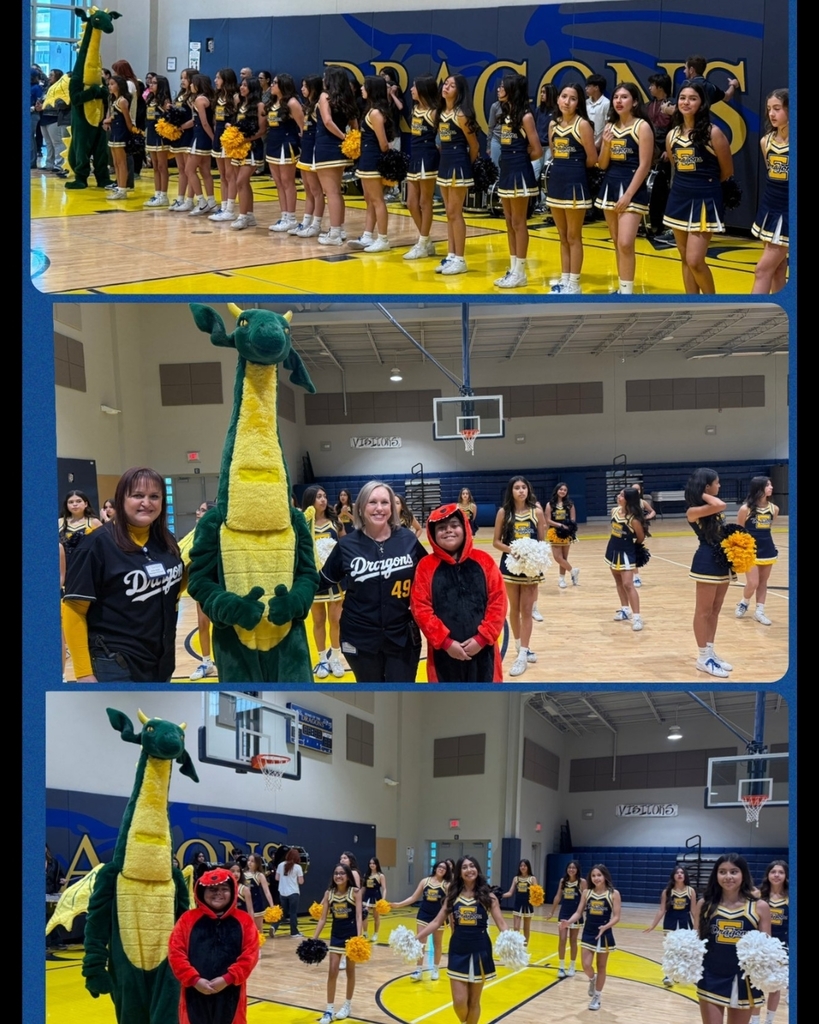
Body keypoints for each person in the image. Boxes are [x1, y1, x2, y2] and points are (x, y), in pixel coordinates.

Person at [62, 467, 184, 682]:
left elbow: (173, 584)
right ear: (121, 499)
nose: (146, 502)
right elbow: (74, 609)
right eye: (137, 495)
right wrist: (84, 674)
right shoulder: (96, 544)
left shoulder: (166, 540)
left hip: (162, 659)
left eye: (154, 496)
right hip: (116, 662)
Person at [320, 481, 426, 682]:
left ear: (392, 507)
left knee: (401, 690)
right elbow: (322, 581)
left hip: (402, 636)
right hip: (359, 637)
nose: (379, 508)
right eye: (372, 502)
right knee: (370, 690)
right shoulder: (347, 545)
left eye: (385, 502)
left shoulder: (408, 539)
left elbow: (431, 576)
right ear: (360, 507)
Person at [411, 504, 507, 682]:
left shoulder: (484, 561)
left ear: (465, 528)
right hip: (443, 653)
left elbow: (498, 602)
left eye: (454, 525)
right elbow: (421, 608)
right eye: (441, 528)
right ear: (432, 534)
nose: (448, 530)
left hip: (484, 651)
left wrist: (482, 638)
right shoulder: (425, 566)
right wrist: (446, 642)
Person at [417, 857, 509, 1024]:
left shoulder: (489, 897)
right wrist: (416, 938)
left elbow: (501, 923)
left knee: (474, 1001)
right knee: (459, 1002)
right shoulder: (452, 897)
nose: (469, 870)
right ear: (459, 872)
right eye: (464, 867)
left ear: (477, 869)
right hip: (458, 949)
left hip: (480, 948)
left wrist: (512, 941)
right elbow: (437, 922)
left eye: (472, 866)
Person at [663, 82, 734, 294]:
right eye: (682, 98)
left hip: (704, 199)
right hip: (679, 197)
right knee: (684, 258)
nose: (686, 102)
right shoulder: (672, 135)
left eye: (693, 98)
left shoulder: (714, 133)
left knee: (695, 260)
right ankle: (692, 302)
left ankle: (712, 303)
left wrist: (704, 184)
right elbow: (676, 166)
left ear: (702, 103)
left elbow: (727, 171)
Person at [168, 867, 259, 1024]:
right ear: (202, 891)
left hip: (231, 992)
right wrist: (194, 979)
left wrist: (228, 978)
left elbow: (250, 956)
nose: (218, 893)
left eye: (224, 889)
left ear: (233, 891)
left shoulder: (244, 921)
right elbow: (175, 952)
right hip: (194, 992)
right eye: (213, 889)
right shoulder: (187, 919)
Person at [697, 854, 770, 1024]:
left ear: (743, 874)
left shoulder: (759, 906)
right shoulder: (705, 904)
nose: (728, 876)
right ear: (716, 875)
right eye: (722, 872)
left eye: (734, 871)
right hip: (711, 975)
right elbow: (696, 942)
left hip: (743, 980)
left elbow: (767, 949)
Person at [595, 83, 654, 294]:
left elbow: (645, 165)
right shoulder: (610, 126)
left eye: (624, 97)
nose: (619, 101)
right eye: (616, 97)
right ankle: (622, 289)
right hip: (611, 185)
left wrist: (628, 195)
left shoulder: (642, 127)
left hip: (632, 188)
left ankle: (628, 294)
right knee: (617, 242)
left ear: (635, 102)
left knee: (626, 243)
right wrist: (606, 144)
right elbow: (602, 164)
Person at [546, 83, 597, 294]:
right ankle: (564, 278)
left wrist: (574, 167)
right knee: (562, 235)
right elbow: (553, 153)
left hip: (575, 183)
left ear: (578, 103)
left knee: (574, 235)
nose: (567, 102)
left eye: (573, 98)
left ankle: (574, 283)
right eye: (564, 96)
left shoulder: (583, 125)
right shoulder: (553, 125)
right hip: (556, 181)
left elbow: (592, 158)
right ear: (558, 99)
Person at [494, 73, 543, 289]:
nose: (499, 89)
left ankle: (521, 272)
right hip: (506, 171)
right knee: (508, 221)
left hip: (519, 173)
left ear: (513, 90)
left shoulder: (526, 117)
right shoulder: (506, 113)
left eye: (503, 87)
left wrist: (520, 160)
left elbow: (537, 150)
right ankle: (513, 268)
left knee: (518, 222)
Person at [493, 476, 546, 677]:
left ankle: (523, 654)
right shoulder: (503, 512)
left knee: (527, 610)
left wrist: (534, 555)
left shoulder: (537, 512)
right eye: (517, 488)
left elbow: (542, 542)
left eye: (524, 487)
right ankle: (518, 646)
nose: (521, 491)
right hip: (511, 565)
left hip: (531, 567)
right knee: (514, 609)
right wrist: (513, 550)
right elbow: (496, 542)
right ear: (511, 491)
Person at [686, 468, 734, 677]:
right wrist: (702, 494)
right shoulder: (693, 511)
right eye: (717, 483)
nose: (719, 486)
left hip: (722, 559)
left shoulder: (710, 506)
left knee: (715, 610)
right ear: (707, 487)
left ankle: (710, 651)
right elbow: (721, 505)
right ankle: (703, 657)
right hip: (706, 560)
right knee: (703, 611)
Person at [434, 75, 479, 276]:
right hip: (445, 164)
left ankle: (460, 259)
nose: (446, 87)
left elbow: (474, 146)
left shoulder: (461, 115)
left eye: (452, 86)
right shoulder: (441, 113)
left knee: (455, 212)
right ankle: (451, 255)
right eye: (446, 84)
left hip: (458, 165)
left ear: (459, 92)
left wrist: (465, 165)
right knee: (448, 212)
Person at [301, 485, 346, 679]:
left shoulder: (335, 522)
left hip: (335, 580)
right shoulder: (303, 523)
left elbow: (346, 546)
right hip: (314, 580)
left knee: (335, 620)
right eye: (318, 496)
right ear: (310, 500)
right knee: (318, 621)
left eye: (325, 496)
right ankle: (322, 659)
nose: (323, 500)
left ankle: (335, 658)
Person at [313, 67, 359, 247]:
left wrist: (344, 137)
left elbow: (327, 121)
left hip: (327, 148)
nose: (323, 79)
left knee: (331, 192)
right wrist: (350, 140)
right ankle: (339, 229)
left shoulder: (325, 96)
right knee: (336, 192)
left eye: (325, 76)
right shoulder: (347, 98)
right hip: (340, 151)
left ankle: (334, 234)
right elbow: (355, 125)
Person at [347, 76, 394, 252]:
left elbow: (383, 144)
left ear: (372, 89)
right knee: (369, 199)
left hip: (373, 161)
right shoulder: (371, 110)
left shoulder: (375, 114)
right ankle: (367, 235)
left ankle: (383, 239)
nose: (361, 89)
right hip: (366, 160)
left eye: (364, 86)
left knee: (377, 200)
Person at [566, 864, 621, 1012]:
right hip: (589, 932)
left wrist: (606, 926)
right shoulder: (586, 892)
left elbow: (616, 917)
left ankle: (597, 996)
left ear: (605, 876)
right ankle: (592, 979)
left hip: (604, 933)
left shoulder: (613, 893)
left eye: (599, 875)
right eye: (593, 875)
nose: (596, 878)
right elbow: (578, 912)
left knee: (601, 966)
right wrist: (568, 922)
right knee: (586, 965)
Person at [313, 864, 363, 1024]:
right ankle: (329, 1010)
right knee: (332, 971)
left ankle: (347, 1005)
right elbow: (323, 918)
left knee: (350, 971)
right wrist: (314, 938)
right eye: (336, 873)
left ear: (348, 876)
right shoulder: (329, 893)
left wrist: (358, 938)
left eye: (342, 873)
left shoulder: (355, 892)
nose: (338, 876)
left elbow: (359, 916)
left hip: (351, 936)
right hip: (336, 935)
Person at [751, 90, 789, 294]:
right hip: (770, 208)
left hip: (788, 211)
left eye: (777, 108)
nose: (771, 114)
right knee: (777, 269)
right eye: (769, 109)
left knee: (762, 270)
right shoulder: (766, 141)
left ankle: (752, 310)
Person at [390, 860, 451, 980]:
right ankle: (418, 970)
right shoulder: (424, 881)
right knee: (420, 943)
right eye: (440, 866)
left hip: (438, 917)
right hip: (424, 914)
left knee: (437, 943)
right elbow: (414, 897)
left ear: (446, 871)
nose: (441, 869)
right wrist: (398, 904)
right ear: (435, 868)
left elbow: (449, 904)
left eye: (444, 868)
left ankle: (435, 969)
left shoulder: (446, 885)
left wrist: (450, 919)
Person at [178, 500, 217, 680]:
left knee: (222, 625)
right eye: (198, 509)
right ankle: (206, 662)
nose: (197, 512)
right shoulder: (194, 533)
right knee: (203, 623)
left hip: (217, 583)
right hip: (200, 583)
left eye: (202, 510)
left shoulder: (217, 532)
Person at [403, 74, 441, 260]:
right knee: (411, 202)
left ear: (423, 90)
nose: (411, 90)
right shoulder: (415, 109)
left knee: (425, 202)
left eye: (414, 87)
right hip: (415, 156)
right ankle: (426, 242)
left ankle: (422, 242)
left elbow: (442, 139)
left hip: (428, 158)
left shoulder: (434, 113)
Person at [263, 73, 304, 233]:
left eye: (275, 83)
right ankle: (284, 216)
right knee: (278, 182)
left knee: (288, 182)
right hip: (273, 144)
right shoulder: (272, 102)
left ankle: (291, 218)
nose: (272, 85)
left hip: (286, 145)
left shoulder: (292, 103)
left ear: (283, 85)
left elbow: (302, 127)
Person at [735, 477, 779, 626]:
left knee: (763, 582)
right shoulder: (745, 509)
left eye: (771, 485)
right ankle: (744, 602)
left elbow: (768, 527)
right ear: (759, 488)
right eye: (767, 485)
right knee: (753, 582)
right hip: (749, 550)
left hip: (767, 549)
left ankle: (759, 611)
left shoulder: (774, 509)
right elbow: (739, 531)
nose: (771, 487)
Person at [645, 866, 699, 985]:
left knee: (685, 949)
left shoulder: (691, 891)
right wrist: (653, 925)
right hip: (670, 921)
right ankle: (668, 976)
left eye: (682, 872)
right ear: (673, 876)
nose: (679, 874)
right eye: (677, 873)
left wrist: (697, 926)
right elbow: (661, 910)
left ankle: (683, 974)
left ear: (685, 876)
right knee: (670, 949)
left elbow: (694, 910)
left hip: (685, 921)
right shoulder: (667, 892)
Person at [605, 487, 647, 631]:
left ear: (628, 499)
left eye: (622, 495)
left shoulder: (633, 519)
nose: (618, 496)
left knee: (628, 584)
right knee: (618, 582)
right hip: (612, 550)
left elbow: (640, 537)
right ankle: (625, 610)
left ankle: (637, 617)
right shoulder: (614, 511)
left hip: (626, 552)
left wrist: (632, 549)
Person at [752, 861, 788, 1024]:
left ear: (786, 876)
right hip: (761, 946)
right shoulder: (758, 895)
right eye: (773, 872)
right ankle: (755, 1020)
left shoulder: (790, 897)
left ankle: (769, 1020)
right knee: (756, 984)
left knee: (775, 985)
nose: (776, 875)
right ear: (768, 875)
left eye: (781, 872)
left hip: (782, 947)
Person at [292, 76, 326, 237]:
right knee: (307, 190)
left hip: (314, 150)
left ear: (313, 88)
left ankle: (316, 224)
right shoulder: (307, 106)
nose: (302, 89)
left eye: (305, 86)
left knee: (316, 190)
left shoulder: (319, 106)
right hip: (305, 150)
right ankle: (306, 222)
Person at [229, 76, 265, 230]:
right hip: (239, 148)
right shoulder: (240, 104)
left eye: (245, 85)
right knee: (243, 183)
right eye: (241, 85)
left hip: (253, 147)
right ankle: (249, 215)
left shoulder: (260, 106)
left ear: (253, 88)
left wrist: (244, 139)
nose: (241, 88)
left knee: (240, 182)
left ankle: (242, 217)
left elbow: (262, 130)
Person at [207, 68, 240, 222]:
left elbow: (239, 118)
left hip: (230, 138)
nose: (215, 81)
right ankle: (224, 206)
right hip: (218, 137)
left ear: (226, 80)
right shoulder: (218, 96)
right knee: (222, 175)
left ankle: (230, 209)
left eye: (218, 78)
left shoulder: (235, 98)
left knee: (230, 174)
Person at [186, 73, 217, 216]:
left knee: (189, 170)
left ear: (198, 84)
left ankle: (201, 202)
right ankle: (211, 202)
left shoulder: (199, 99)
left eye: (192, 83)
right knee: (205, 171)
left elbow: (204, 123)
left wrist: (213, 138)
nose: (191, 85)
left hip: (200, 138)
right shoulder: (207, 98)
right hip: (204, 138)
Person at [550, 860, 587, 977]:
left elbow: (586, 899)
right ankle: (561, 967)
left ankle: (572, 966)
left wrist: (584, 911)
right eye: (569, 867)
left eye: (574, 868)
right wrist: (552, 912)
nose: (571, 869)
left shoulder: (582, 882)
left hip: (576, 914)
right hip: (564, 913)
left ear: (577, 870)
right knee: (562, 939)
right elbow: (558, 896)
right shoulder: (563, 881)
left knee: (573, 940)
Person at [102, 74, 135, 200]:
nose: (109, 86)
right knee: (115, 163)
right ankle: (119, 187)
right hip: (114, 133)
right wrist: (108, 120)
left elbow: (127, 120)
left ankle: (123, 189)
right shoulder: (114, 100)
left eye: (112, 84)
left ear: (119, 86)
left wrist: (133, 132)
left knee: (122, 163)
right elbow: (114, 116)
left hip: (121, 134)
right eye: (109, 84)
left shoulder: (122, 101)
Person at [143, 74, 173, 207]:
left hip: (161, 136)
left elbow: (169, 118)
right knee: (154, 166)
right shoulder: (150, 98)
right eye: (151, 82)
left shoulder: (165, 101)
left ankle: (164, 195)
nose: (151, 84)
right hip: (151, 134)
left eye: (154, 83)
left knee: (162, 166)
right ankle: (157, 194)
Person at [544, 482, 579, 588]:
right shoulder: (550, 504)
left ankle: (562, 579)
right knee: (557, 557)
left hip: (566, 533)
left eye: (565, 490)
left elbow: (573, 519)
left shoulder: (570, 504)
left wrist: (569, 528)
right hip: (554, 532)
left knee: (564, 557)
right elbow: (548, 520)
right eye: (561, 489)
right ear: (557, 490)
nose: (563, 491)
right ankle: (573, 571)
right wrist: (560, 525)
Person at [502, 859, 538, 945]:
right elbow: (510, 892)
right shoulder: (516, 878)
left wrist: (537, 899)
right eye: (521, 866)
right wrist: (500, 895)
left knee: (526, 928)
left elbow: (537, 893)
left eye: (524, 866)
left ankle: (525, 946)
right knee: (516, 927)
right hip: (517, 904)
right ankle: (517, 946)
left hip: (528, 905)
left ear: (528, 867)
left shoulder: (532, 879)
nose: (523, 867)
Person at [273, 847, 304, 937]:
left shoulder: (280, 865)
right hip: (293, 893)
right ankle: (294, 932)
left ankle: (274, 926)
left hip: (282, 893)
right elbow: (301, 882)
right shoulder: (298, 867)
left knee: (283, 912)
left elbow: (276, 878)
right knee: (293, 913)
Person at [630, 482, 656, 587]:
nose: (636, 491)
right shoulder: (627, 502)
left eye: (638, 489)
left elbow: (652, 512)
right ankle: (634, 576)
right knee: (630, 553)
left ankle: (636, 577)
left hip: (638, 530)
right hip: (628, 530)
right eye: (634, 489)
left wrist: (647, 517)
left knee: (633, 552)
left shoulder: (642, 502)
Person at [243, 853, 275, 934]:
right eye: (249, 860)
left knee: (258, 930)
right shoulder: (243, 874)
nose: (250, 863)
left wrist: (272, 906)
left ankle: (259, 942)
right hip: (245, 904)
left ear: (257, 863)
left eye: (252, 861)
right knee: (247, 930)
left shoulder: (260, 875)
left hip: (257, 904)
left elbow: (267, 892)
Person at [362, 857, 387, 941]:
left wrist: (383, 900)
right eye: (370, 863)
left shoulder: (380, 875)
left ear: (377, 864)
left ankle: (375, 934)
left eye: (373, 863)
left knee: (376, 916)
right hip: (367, 897)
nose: (371, 865)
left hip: (376, 897)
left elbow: (384, 888)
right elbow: (363, 888)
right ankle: (365, 933)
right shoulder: (366, 875)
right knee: (364, 915)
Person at [584, 74, 611, 148]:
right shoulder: (585, 103)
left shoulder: (606, 103)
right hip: (585, 142)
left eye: (588, 86)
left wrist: (600, 143)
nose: (586, 88)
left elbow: (607, 125)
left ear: (596, 88)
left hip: (599, 144)